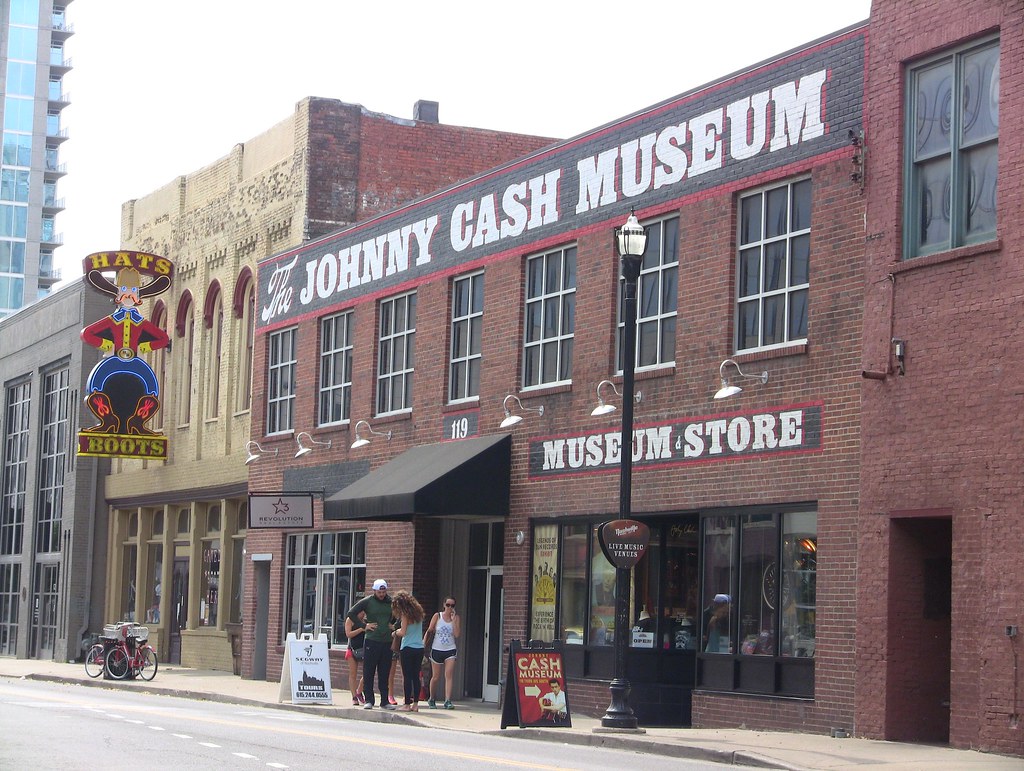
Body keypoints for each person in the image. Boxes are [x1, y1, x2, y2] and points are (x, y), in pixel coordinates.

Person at [346, 579, 398, 710]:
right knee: (368, 671)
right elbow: (351, 613)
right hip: (371, 640)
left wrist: (394, 626)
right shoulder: (368, 601)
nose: (381, 594)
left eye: (383, 591)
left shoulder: (391, 602)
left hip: (386, 640)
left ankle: (385, 701)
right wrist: (364, 626)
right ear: (374, 591)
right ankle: (369, 699)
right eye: (379, 592)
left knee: (384, 672)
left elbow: (402, 615)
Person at [392, 591, 426, 712]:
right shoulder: (418, 614)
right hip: (419, 647)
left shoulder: (405, 615)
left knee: (407, 676)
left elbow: (403, 632)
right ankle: (415, 704)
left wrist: (395, 632)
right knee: (416, 676)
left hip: (407, 648)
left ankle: (406, 704)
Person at [424, 595, 460, 709]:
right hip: (437, 648)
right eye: (448, 605)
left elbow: (457, 634)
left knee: (448, 675)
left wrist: (454, 621)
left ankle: (448, 700)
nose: (449, 608)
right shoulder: (437, 616)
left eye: (452, 606)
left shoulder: (456, 618)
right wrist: (424, 642)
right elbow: (430, 630)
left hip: (450, 649)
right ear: (444, 605)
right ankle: (432, 698)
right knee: (436, 676)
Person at [344, 611, 366, 706]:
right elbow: (348, 634)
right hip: (352, 649)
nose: (363, 615)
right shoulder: (350, 620)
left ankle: (359, 690)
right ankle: (354, 697)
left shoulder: (366, 621)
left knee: (367, 672)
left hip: (364, 649)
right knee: (353, 673)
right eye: (361, 612)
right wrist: (361, 629)